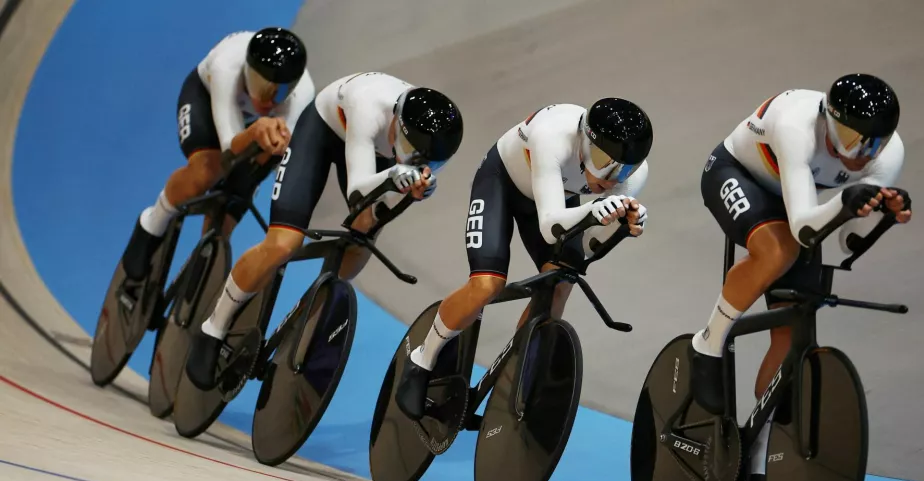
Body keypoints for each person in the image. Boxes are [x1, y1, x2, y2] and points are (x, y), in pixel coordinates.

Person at [689, 73, 913, 481]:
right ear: (829, 120)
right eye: (852, 139)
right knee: (778, 251)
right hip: (736, 173)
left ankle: (757, 453)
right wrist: (846, 202)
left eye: (874, 144)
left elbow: (847, 241)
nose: (862, 155)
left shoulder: (889, 153)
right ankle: (709, 341)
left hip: (800, 202)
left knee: (793, 333)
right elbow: (805, 229)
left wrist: (881, 218)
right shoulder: (797, 127)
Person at [185, 71, 465, 390]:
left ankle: (305, 327)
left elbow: (375, 209)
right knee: (283, 244)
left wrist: (416, 189)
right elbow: (358, 190)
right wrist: (394, 177)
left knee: (362, 236)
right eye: (408, 148)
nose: (413, 160)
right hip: (322, 130)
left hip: (375, 153)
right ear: (396, 123)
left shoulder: (420, 142)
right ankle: (213, 329)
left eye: (427, 161)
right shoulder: (368, 106)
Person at [394, 98, 653, 421]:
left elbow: (588, 246)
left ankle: (517, 377)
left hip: (555, 196)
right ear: (585, 142)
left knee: (561, 281)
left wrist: (622, 226)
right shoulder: (552, 137)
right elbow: (550, 227)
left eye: (624, 170)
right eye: (604, 162)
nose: (612, 179)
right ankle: (421, 361)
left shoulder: (634, 175)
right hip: (502, 182)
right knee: (487, 284)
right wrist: (592, 209)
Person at [120, 27, 315, 282]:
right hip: (205, 97)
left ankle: (208, 251)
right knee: (207, 171)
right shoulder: (226, 67)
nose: (268, 101)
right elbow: (229, 150)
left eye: (279, 93)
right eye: (261, 87)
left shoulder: (303, 94)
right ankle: (153, 222)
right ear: (247, 70)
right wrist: (256, 130)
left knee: (244, 185)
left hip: (253, 126)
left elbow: (278, 159)